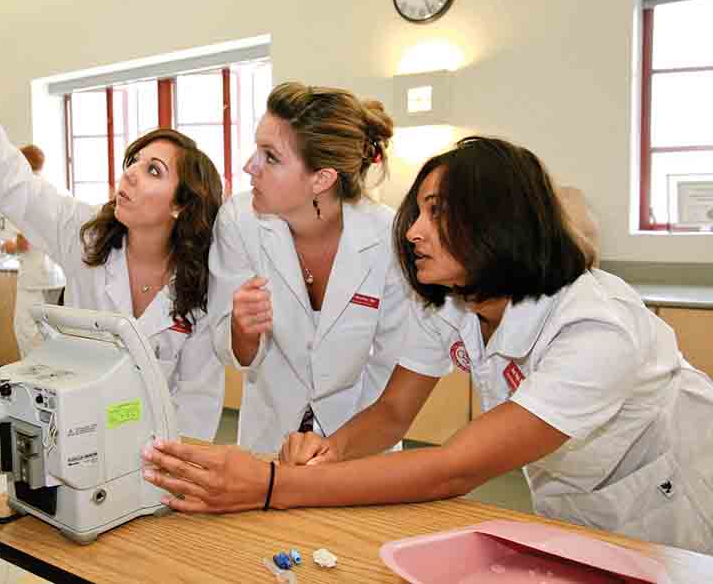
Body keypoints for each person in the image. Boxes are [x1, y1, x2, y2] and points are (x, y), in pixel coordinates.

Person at [141, 136, 713, 554]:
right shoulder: (452, 301)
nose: (412, 231)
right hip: (573, 495)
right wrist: (328, 454)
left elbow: (452, 470)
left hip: (678, 502)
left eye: (436, 213)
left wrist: (272, 486)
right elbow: (392, 414)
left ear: (500, 221)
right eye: (417, 212)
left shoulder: (596, 328)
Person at [0, 27, 226, 440]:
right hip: (76, 439)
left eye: (154, 170)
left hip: (159, 459)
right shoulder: (88, 239)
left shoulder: (200, 285)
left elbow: (196, 401)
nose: (131, 171)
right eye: (134, 161)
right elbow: (12, 181)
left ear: (181, 205)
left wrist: (172, 482)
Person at [207, 82, 452, 453]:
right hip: (268, 435)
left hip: (361, 439)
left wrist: (335, 451)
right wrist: (243, 330)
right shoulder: (239, 221)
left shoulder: (389, 239)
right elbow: (233, 353)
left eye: (270, 157)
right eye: (257, 149)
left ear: (321, 178)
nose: (249, 167)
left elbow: (390, 372)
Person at [2, 144, 66, 358]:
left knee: (27, 331)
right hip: (56, 275)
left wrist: (7, 246)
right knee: (53, 332)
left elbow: (24, 243)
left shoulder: (26, 192)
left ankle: (34, 378)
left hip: (34, 278)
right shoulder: (54, 188)